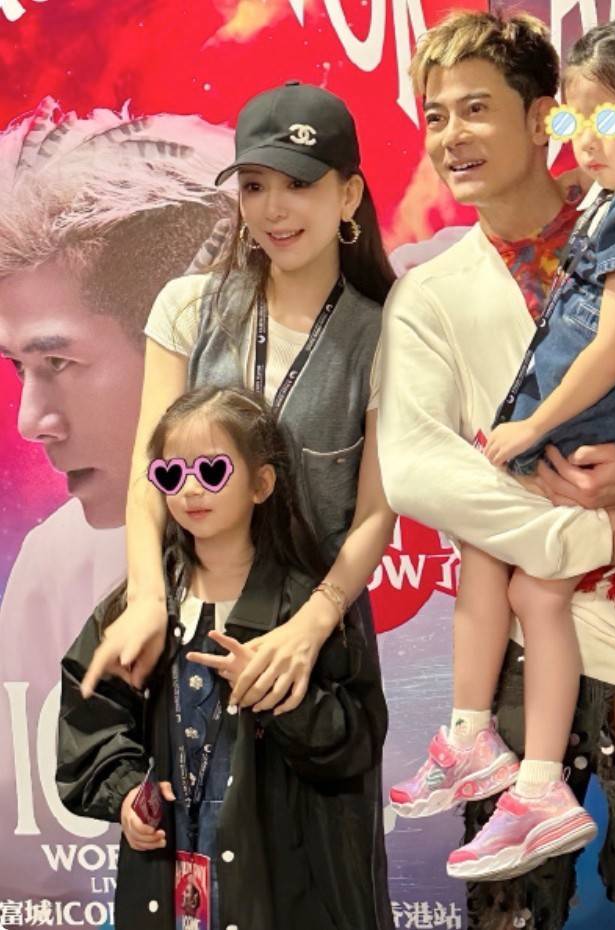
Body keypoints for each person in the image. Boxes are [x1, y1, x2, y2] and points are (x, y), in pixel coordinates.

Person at [378, 11, 615, 929]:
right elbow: (418, 468)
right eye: (434, 116)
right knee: (511, 904)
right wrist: (582, 533)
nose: (452, 136)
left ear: (542, 115)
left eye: (476, 108)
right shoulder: (428, 290)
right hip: (522, 610)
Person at [78, 81, 397, 927]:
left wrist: (311, 627)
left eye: (300, 184)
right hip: (191, 625)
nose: (275, 209)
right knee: (178, 867)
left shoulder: (384, 332)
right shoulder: (189, 306)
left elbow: (376, 510)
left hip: (310, 646)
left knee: (317, 886)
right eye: (255, 185)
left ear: (349, 195)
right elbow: (150, 472)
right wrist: (150, 600)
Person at [0, 97, 233, 906]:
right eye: (18, 369)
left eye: (58, 363)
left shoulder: (338, 531)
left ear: (184, 346)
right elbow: (30, 880)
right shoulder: (55, 566)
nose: (31, 421)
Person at [57, 386, 388, 930]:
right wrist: (126, 793)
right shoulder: (142, 608)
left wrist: (281, 696)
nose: (190, 490)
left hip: (279, 887)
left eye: (212, 471)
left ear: (262, 483)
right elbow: (89, 718)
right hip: (165, 877)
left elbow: (355, 746)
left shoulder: (303, 608)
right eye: (170, 475)